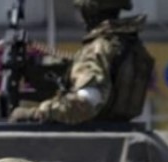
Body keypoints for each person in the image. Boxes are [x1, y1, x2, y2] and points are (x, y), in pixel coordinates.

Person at [9, 0, 153, 124]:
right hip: (119, 131)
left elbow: (86, 102)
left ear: (90, 11)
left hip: (93, 138)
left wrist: (38, 113)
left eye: (82, 11)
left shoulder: (98, 48)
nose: (81, 18)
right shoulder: (129, 44)